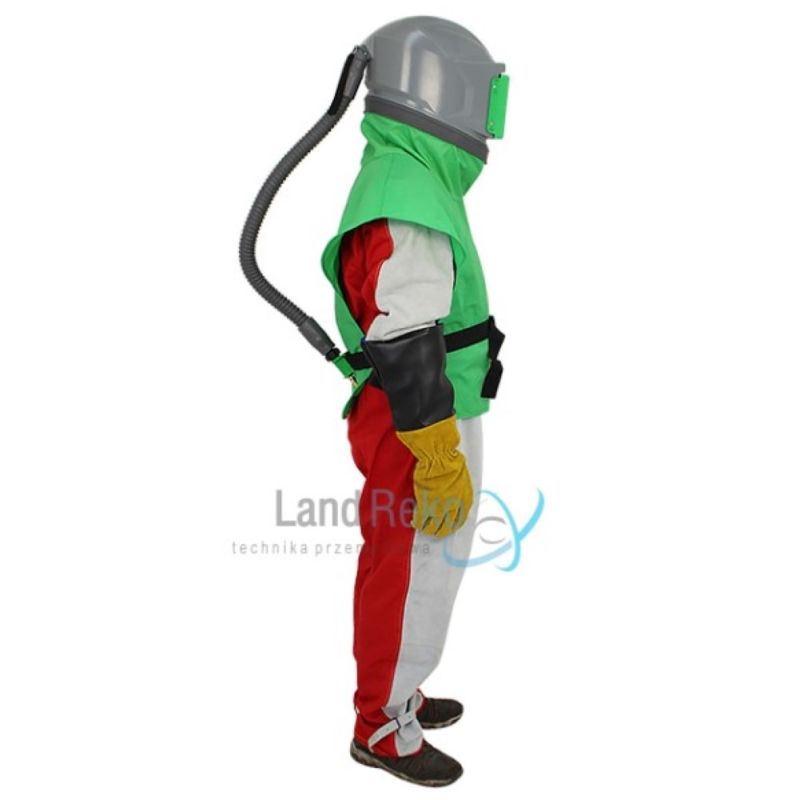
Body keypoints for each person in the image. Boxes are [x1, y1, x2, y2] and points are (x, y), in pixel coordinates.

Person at [318, 16, 509, 787]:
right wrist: (435, 453)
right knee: (409, 565)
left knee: (422, 563)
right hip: (416, 415)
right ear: (443, 90)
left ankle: (402, 686)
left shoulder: (408, 175)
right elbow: (403, 332)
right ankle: (382, 726)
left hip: (423, 403)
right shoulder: (408, 192)